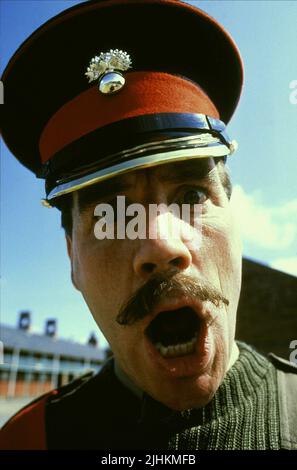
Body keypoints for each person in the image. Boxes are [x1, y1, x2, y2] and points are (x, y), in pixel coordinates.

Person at [0, 0, 296, 451]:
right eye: (107, 215)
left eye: (192, 197)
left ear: (236, 222)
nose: (160, 244)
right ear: (71, 260)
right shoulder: (25, 444)